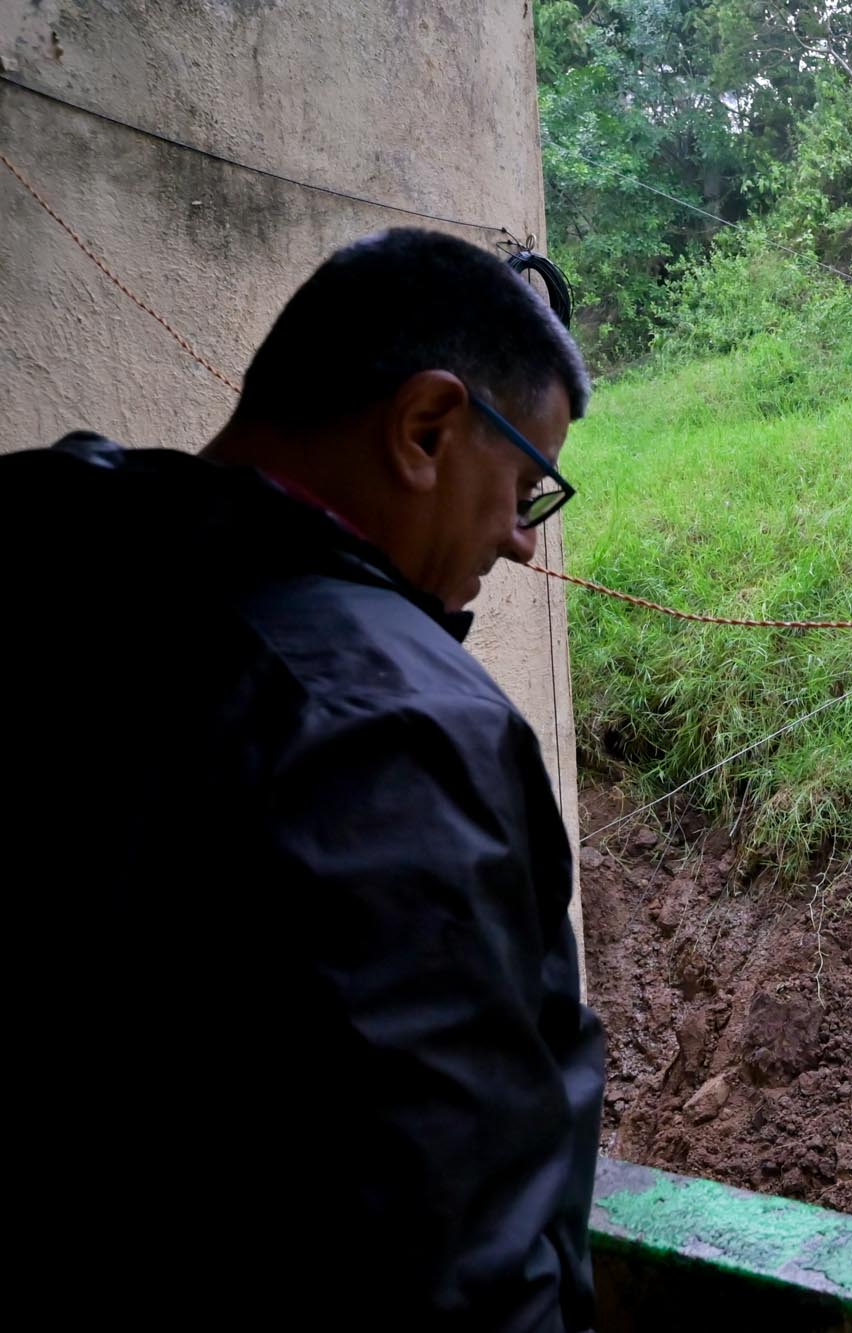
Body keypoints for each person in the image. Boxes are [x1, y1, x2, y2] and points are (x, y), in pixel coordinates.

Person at [5, 229, 604, 1331]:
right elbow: (452, 1251)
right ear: (426, 428)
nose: (522, 542)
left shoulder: (54, 567)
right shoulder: (390, 725)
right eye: (522, 485)